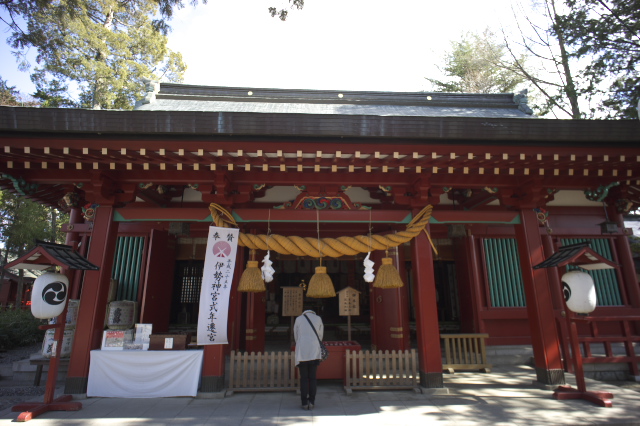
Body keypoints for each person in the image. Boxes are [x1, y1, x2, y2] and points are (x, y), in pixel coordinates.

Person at [294, 307, 324, 410]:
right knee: (313, 378)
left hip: (302, 352)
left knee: (304, 378)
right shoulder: (318, 318)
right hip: (314, 351)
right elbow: (320, 336)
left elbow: (296, 335)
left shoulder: (298, 319)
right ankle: (312, 401)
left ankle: (304, 402)